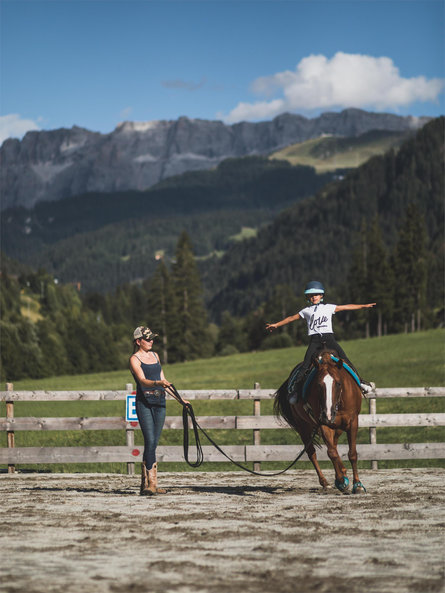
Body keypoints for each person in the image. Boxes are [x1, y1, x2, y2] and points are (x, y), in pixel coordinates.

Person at [266, 281, 376, 398]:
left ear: (321, 296)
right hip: (315, 341)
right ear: (308, 297)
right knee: (306, 364)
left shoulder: (329, 307)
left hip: (329, 339)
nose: (314, 297)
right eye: (311, 295)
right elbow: (291, 318)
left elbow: (346, 307)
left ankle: (360, 382)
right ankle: (296, 390)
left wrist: (363, 306)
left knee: (345, 360)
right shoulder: (306, 311)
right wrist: (276, 325)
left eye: (317, 295)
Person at [129, 326, 187, 496]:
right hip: (144, 403)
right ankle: (151, 483)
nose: (151, 341)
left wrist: (180, 399)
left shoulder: (155, 356)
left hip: (160, 402)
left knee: (153, 442)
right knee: (150, 440)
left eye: (152, 338)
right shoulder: (134, 359)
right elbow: (142, 380)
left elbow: (163, 380)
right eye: (148, 339)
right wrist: (157, 384)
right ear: (138, 341)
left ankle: (147, 483)